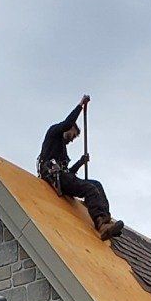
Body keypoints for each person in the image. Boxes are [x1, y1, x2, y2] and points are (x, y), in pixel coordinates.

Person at [37, 97, 119, 237]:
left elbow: (70, 174)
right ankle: (100, 223)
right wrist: (81, 105)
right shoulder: (54, 133)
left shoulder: (62, 152)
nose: (72, 140)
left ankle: (106, 218)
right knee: (90, 189)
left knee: (96, 184)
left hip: (63, 178)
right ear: (69, 128)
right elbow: (67, 122)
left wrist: (80, 162)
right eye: (73, 136)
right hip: (54, 177)